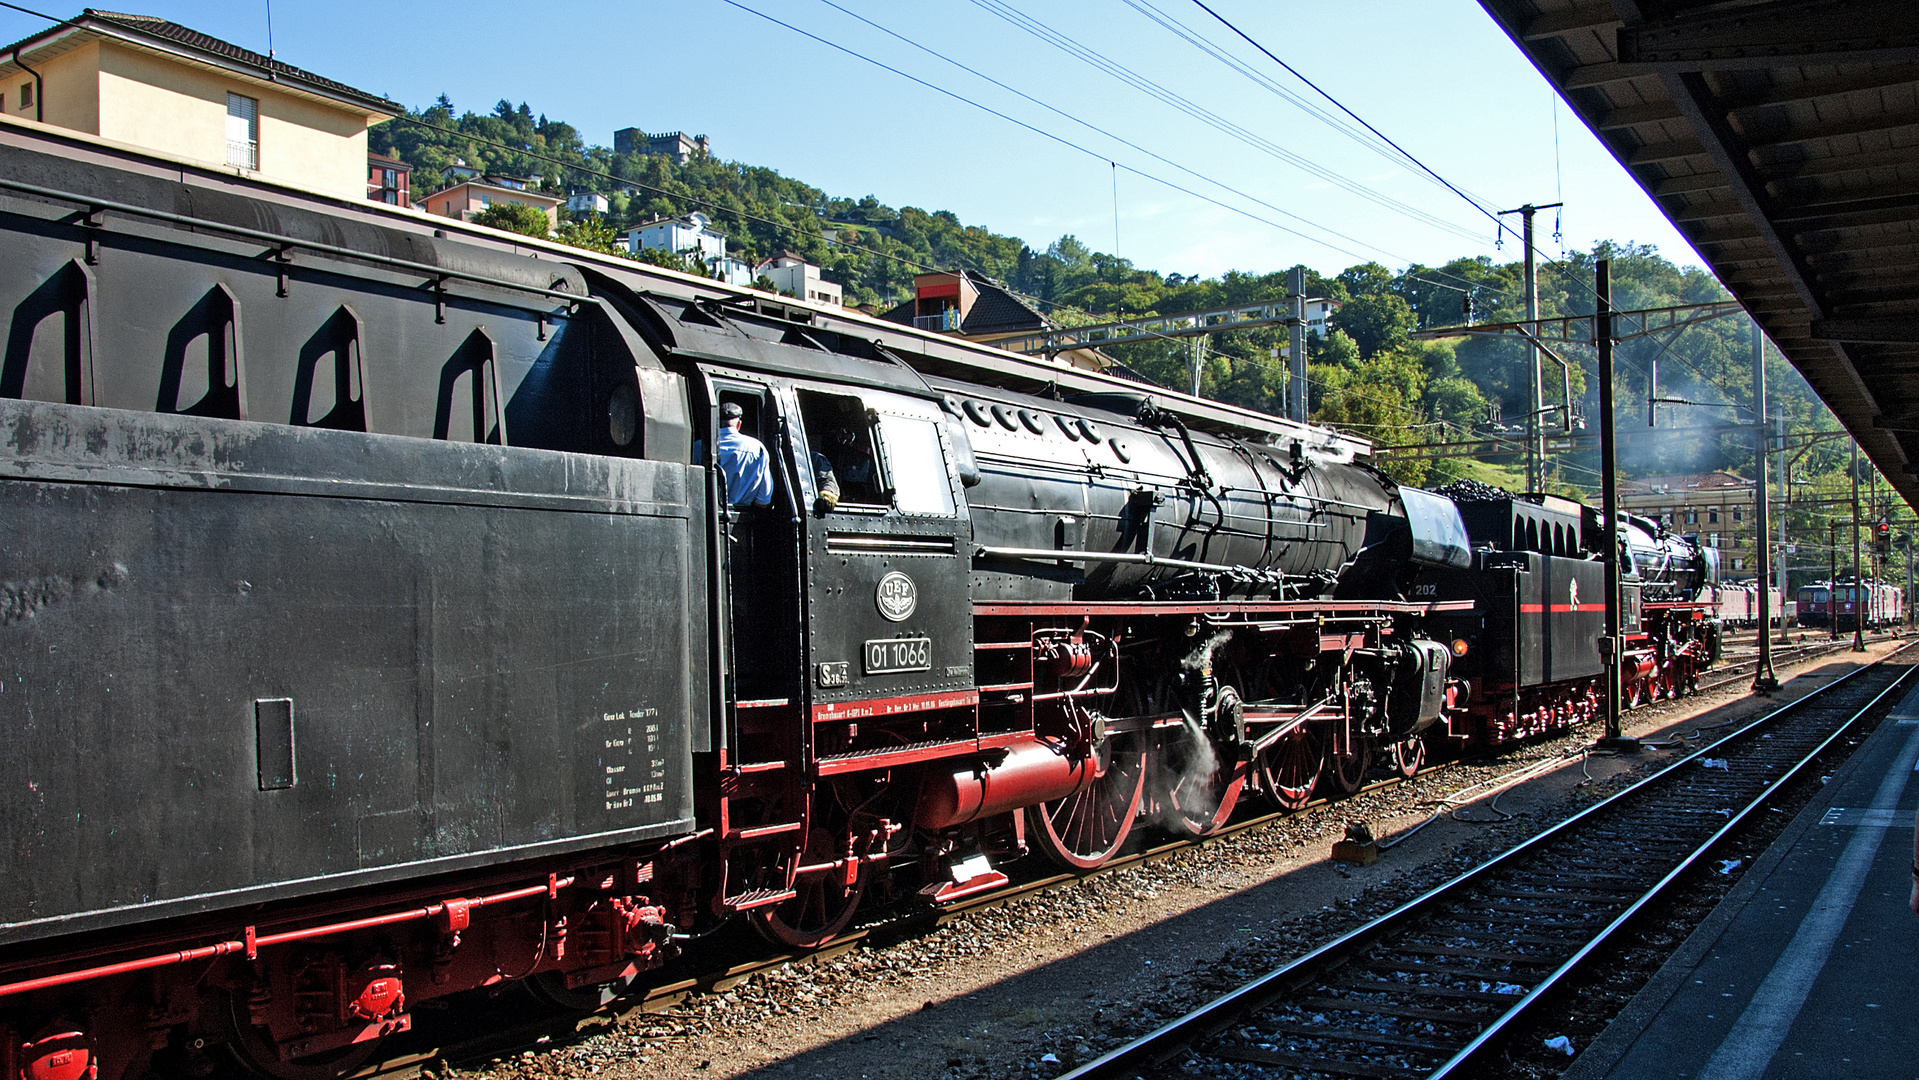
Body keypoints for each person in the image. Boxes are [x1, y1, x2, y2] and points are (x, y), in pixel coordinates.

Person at [716, 402, 773, 507]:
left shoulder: (698, 447)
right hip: (741, 519)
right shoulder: (757, 448)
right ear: (739, 424)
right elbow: (763, 500)